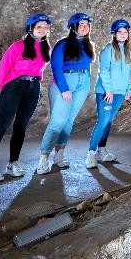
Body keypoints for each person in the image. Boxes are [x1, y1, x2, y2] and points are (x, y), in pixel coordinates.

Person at [0, 13, 51, 183]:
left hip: (33, 88)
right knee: (2, 127)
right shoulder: (18, 46)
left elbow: (39, 69)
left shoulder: (45, 48)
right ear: (31, 28)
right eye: (39, 27)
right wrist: (7, 89)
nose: (43, 30)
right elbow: (2, 71)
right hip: (14, 87)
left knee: (21, 127)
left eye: (45, 27)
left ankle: (13, 164)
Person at [37, 12, 95, 174]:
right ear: (73, 27)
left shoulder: (88, 44)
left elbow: (87, 66)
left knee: (68, 121)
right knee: (58, 121)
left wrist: (86, 85)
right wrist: (64, 89)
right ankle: (43, 159)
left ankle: (59, 156)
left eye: (87, 25)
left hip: (82, 83)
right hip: (64, 82)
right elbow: (56, 68)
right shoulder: (62, 44)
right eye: (81, 24)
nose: (85, 27)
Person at [86, 19, 131, 168]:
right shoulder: (108, 50)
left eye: (125, 32)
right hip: (106, 92)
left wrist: (128, 90)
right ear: (114, 33)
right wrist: (109, 90)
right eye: (120, 32)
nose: (123, 34)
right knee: (103, 121)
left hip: (119, 92)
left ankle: (102, 150)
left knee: (109, 121)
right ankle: (91, 154)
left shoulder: (127, 52)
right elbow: (104, 71)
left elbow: (129, 72)